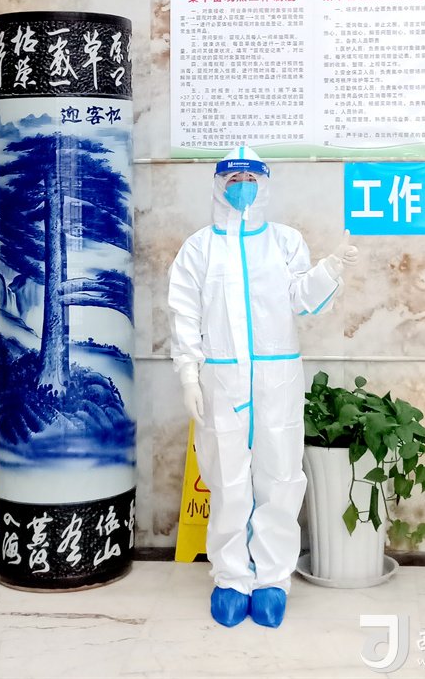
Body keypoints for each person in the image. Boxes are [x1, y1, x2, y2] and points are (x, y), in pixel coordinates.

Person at [167, 146, 358, 628]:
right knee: (227, 479)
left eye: (250, 179)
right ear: (218, 185)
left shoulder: (285, 242)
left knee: (280, 477)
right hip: (221, 378)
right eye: (233, 180)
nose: (242, 187)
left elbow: (302, 300)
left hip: (277, 379)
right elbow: (183, 314)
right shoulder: (198, 249)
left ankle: (272, 580)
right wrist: (188, 374)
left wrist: (330, 268)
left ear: (265, 184)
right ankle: (231, 579)